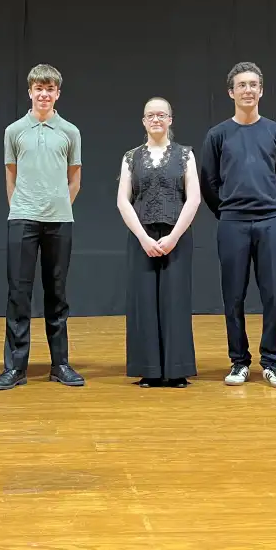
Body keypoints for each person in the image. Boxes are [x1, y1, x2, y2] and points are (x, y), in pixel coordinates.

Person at [200, 62, 276, 388]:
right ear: (231, 92)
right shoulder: (217, 135)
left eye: (253, 84)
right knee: (233, 296)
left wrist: (268, 204)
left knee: (274, 295)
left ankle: (272, 363)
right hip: (232, 223)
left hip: (271, 221)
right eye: (241, 85)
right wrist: (228, 211)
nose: (248, 90)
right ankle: (239, 361)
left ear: (261, 90)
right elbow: (208, 182)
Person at [0, 64, 84, 390]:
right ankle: (15, 368)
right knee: (18, 294)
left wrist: (59, 205)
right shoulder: (14, 131)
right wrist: (20, 208)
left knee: (56, 293)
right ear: (30, 91)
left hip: (59, 221)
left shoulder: (70, 132)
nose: (44, 94)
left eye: (50, 89)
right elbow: (11, 176)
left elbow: (74, 179)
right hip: (23, 219)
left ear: (58, 93)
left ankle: (60, 364)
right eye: (39, 89)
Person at [117, 97, 201, 388]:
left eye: (161, 115)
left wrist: (174, 236)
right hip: (142, 237)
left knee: (175, 301)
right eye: (150, 115)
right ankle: (149, 369)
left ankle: (176, 369)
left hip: (176, 235)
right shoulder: (131, 157)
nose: (156, 119)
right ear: (144, 121)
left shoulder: (185, 154)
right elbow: (123, 200)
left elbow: (193, 198)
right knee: (143, 302)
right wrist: (143, 237)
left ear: (170, 120)